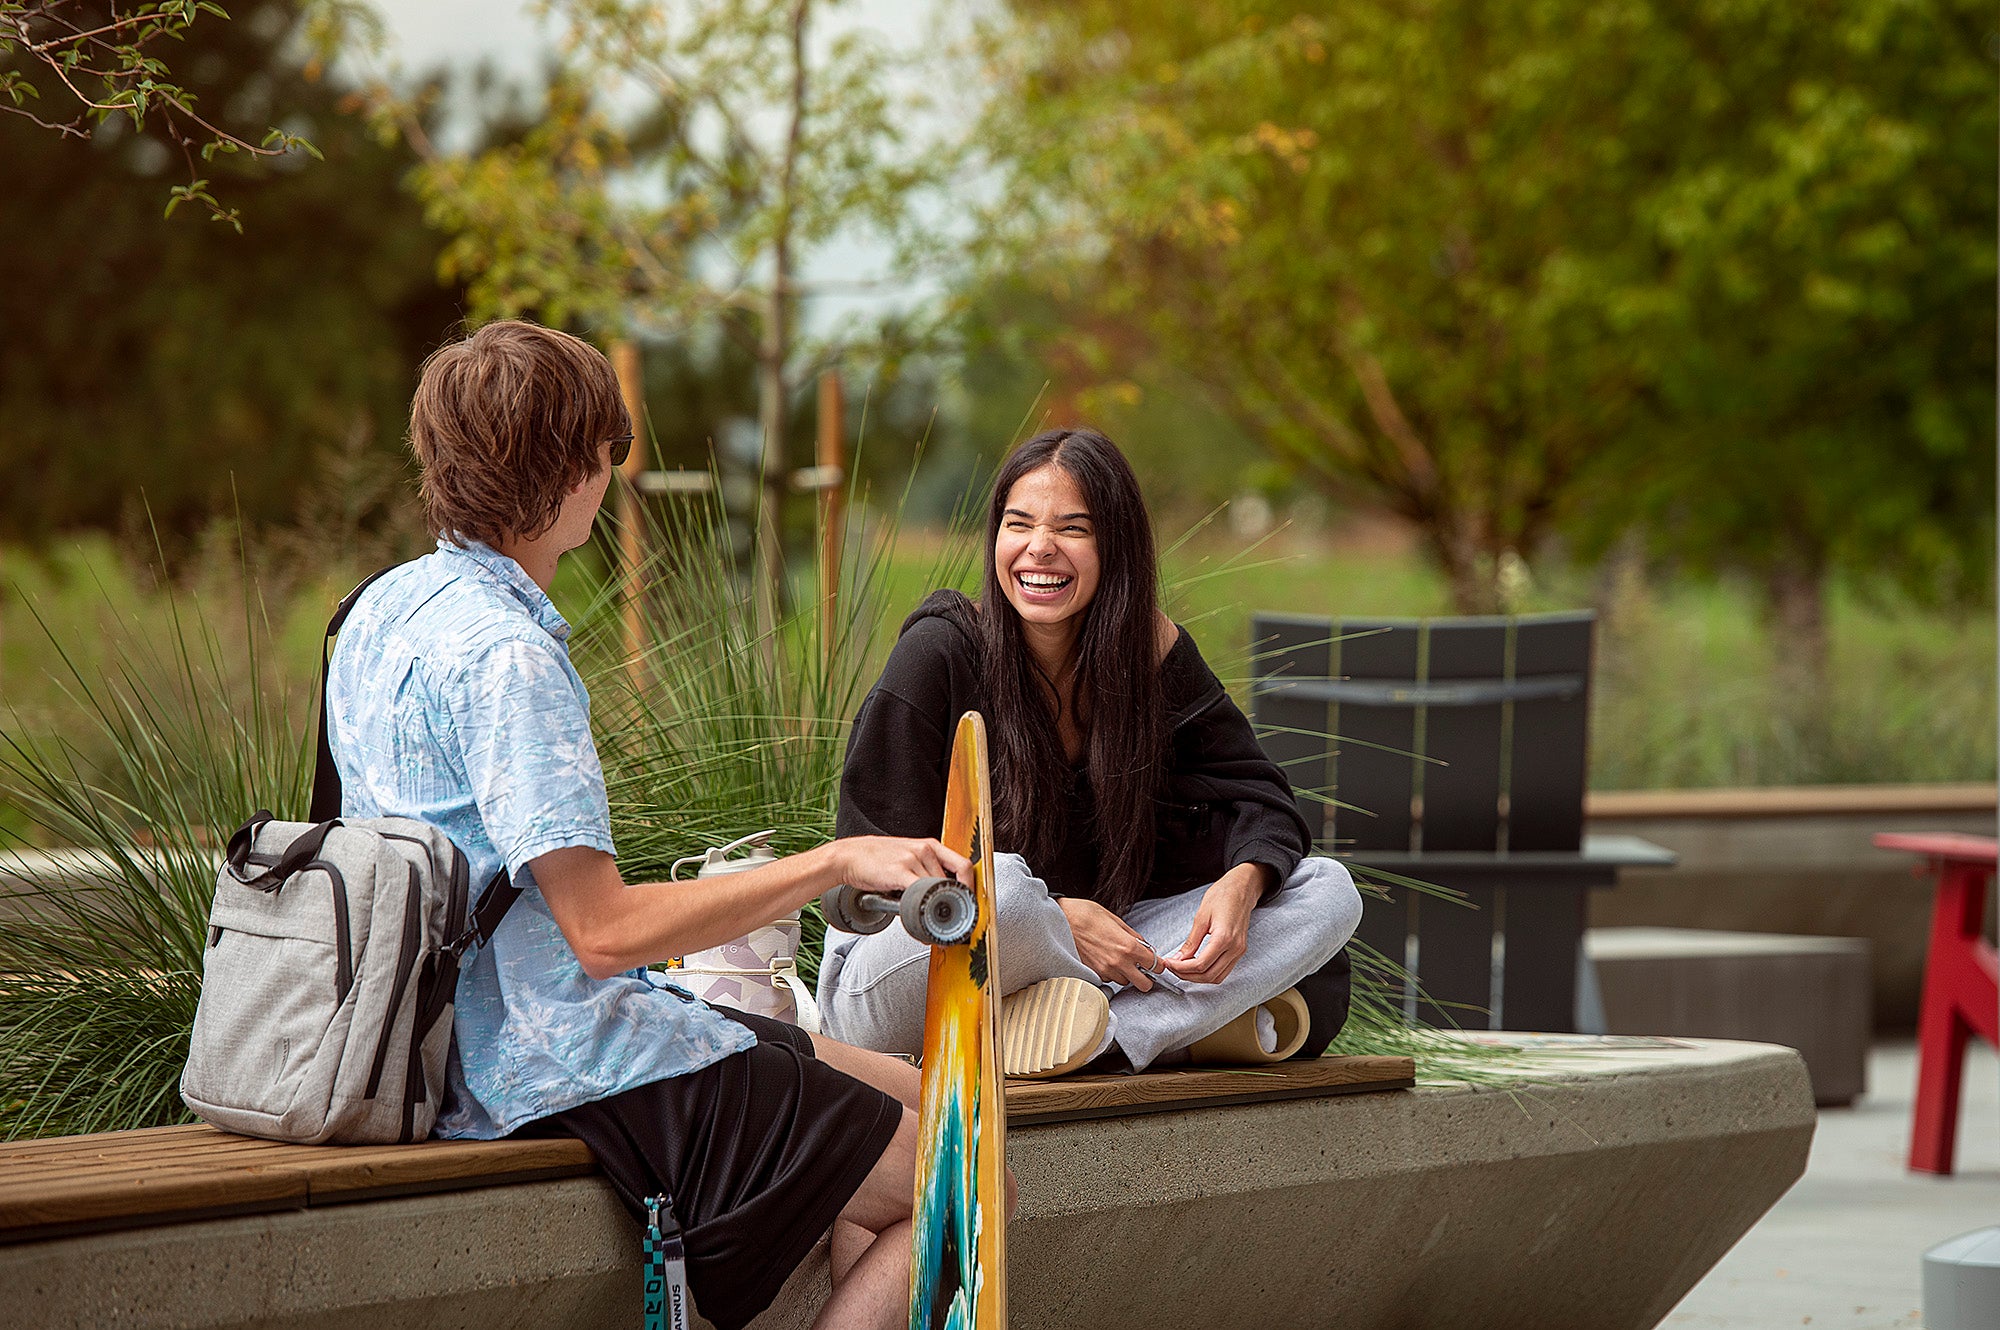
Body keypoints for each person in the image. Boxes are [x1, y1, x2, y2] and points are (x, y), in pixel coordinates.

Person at [325, 319, 959, 1330]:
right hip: (548, 1063)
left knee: (922, 1096)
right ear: (568, 467)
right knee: (960, 1178)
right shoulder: (509, 657)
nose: (610, 472)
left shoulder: (380, 610)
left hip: (450, 1044)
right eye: (602, 451)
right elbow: (603, 931)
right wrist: (831, 859)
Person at [819, 427, 1363, 1077]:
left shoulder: (1148, 656)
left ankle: (1086, 1035)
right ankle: (1139, 1027)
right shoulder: (940, 653)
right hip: (904, 962)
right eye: (1018, 524)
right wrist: (1058, 919)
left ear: (1116, 549)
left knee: (1325, 888)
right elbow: (868, 879)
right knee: (1010, 892)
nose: (1039, 548)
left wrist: (1243, 884)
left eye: (1073, 529)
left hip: (1068, 971)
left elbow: (1259, 794)